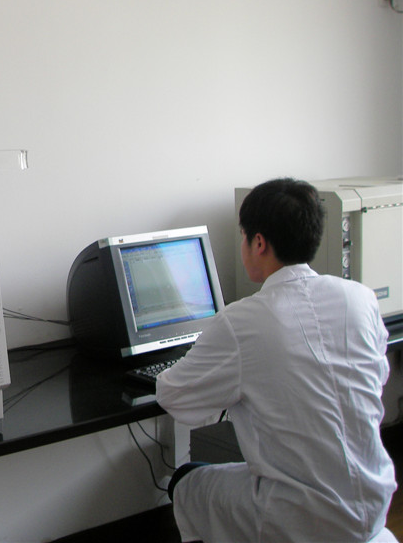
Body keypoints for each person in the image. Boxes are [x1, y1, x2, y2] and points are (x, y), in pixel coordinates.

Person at [156, 177, 397, 543]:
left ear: (258, 242)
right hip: (373, 505)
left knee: (185, 480)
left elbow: (175, 397)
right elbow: (375, 377)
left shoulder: (241, 321)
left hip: (301, 516)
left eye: (243, 237)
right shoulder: (360, 299)